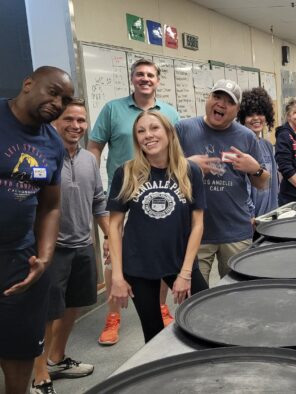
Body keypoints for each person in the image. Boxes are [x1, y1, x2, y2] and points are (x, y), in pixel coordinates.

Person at [88, 59, 180, 345]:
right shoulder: (113, 109)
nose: (145, 79)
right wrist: (93, 185)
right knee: (112, 251)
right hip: (123, 193)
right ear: (132, 79)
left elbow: (177, 151)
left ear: (158, 80)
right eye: (139, 74)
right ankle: (113, 316)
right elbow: (94, 147)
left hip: (158, 193)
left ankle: (160, 305)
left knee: (159, 251)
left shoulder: (169, 113)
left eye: (150, 75)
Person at [0, 66, 73, 394]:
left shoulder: (53, 145)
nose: (58, 103)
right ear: (28, 83)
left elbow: (50, 206)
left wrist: (44, 257)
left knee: (19, 350)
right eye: (53, 92)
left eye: (65, 99)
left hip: (21, 260)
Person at [107, 110, 208, 343]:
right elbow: (114, 226)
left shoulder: (189, 171)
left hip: (179, 261)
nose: (147, 135)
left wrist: (185, 273)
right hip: (138, 265)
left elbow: (198, 225)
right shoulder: (126, 172)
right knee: (152, 333)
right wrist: (117, 277)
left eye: (154, 128)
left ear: (169, 133)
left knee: (204, 317)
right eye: (141, 131)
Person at [30, 99, 107, 394]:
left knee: (74, 305)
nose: (76, 126)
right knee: (47, 313)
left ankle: (56, 359)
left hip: (83, 244)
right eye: (69, 120)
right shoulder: (41, 155)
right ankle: (39, 374)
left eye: (81, 121)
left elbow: (98, 200)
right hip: (51, 249)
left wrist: (109, 236)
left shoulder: (88, 158)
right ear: (54, 122)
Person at [177, 80, 269, 283]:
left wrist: (256, 169)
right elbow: (162, 172)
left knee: (238, 293)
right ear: (208, 99)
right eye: (217, 97)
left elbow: (262, 183)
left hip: (236, 231)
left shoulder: (247, 137)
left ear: (237, 110)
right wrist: (186, 165)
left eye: (229, 101)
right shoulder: (183, 129)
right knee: (193, 295)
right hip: (195, 233)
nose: (221, 104)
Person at [237, 87, 279, 216]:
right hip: (249, 219)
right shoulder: (239, 147)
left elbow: (273, 185)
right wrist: (250, 215)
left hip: (267, 217)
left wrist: (274, 213)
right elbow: (241, 187)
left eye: (260, 113)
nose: (256, 118)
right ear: (243, 118)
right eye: (250, 114)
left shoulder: (267, 145)